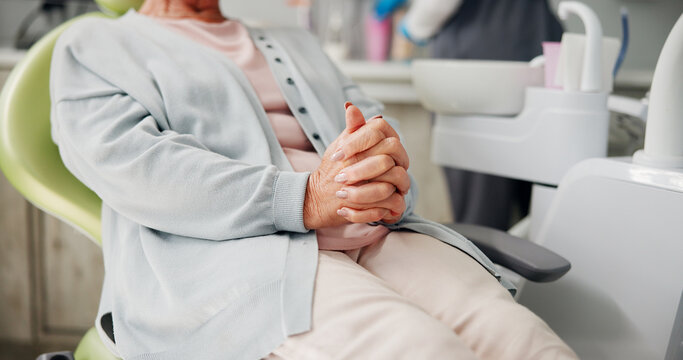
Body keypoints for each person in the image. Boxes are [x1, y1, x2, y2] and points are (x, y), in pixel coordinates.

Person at [49, 0, 577, 358]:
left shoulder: (289, 39)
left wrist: (386, 177)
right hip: (239, 257)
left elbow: (372, 126)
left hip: (374, 233)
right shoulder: (95, 45)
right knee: (421, 349)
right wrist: (304, 200)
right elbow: (138, 168)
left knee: (525, 343)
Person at [402, 0, 564, 230]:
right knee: (539, 216)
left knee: (481, 216)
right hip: (541, 59)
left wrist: (414, 24)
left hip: (479, 72)